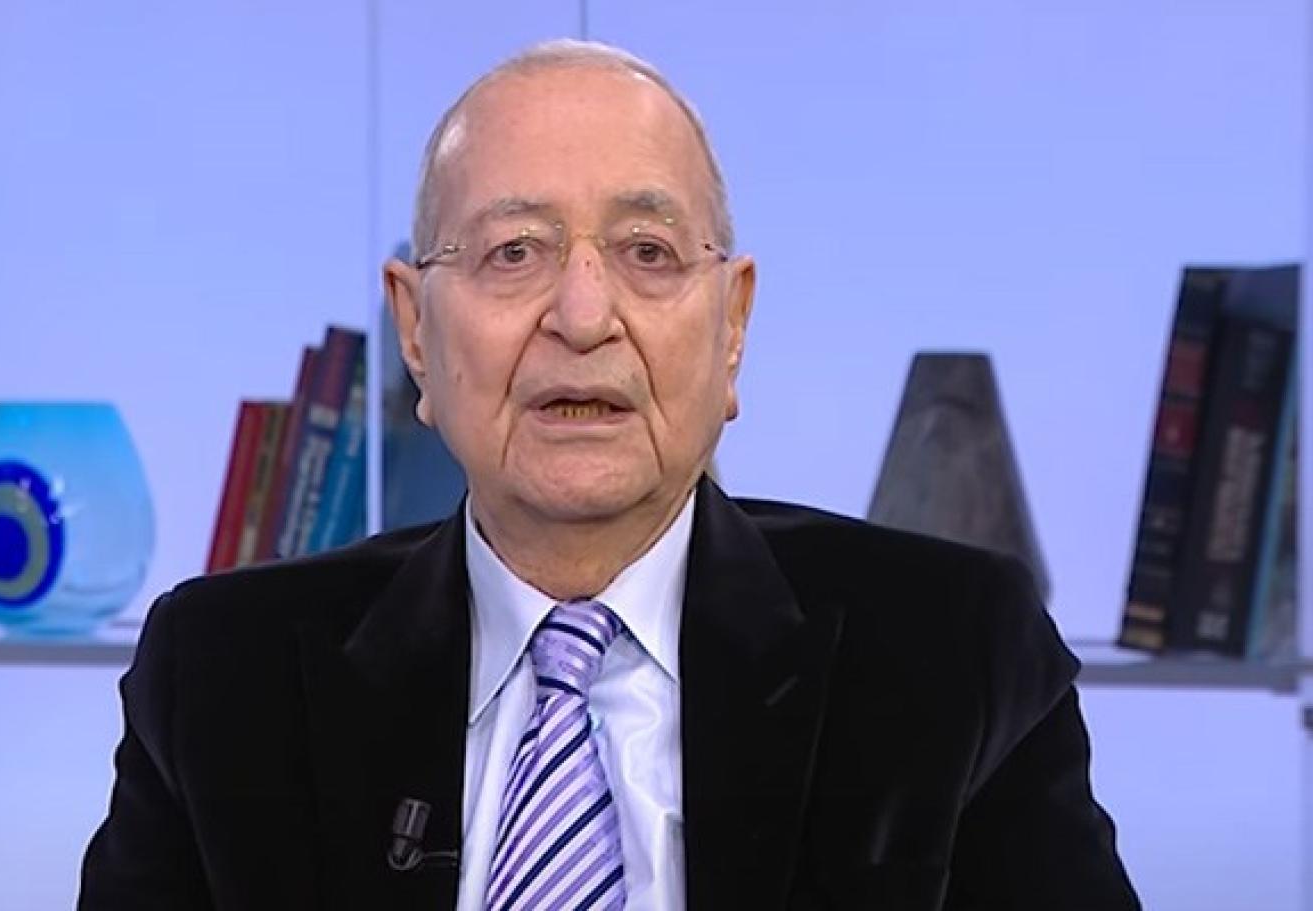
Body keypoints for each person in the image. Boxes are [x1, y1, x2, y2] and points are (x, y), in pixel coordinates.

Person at [79, 39, 1140, 910]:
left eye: (647, 252)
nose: (583, 317)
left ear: (732, 325)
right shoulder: (222, 681)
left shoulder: (953, 657)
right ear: (414, 329)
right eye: (513, 252)